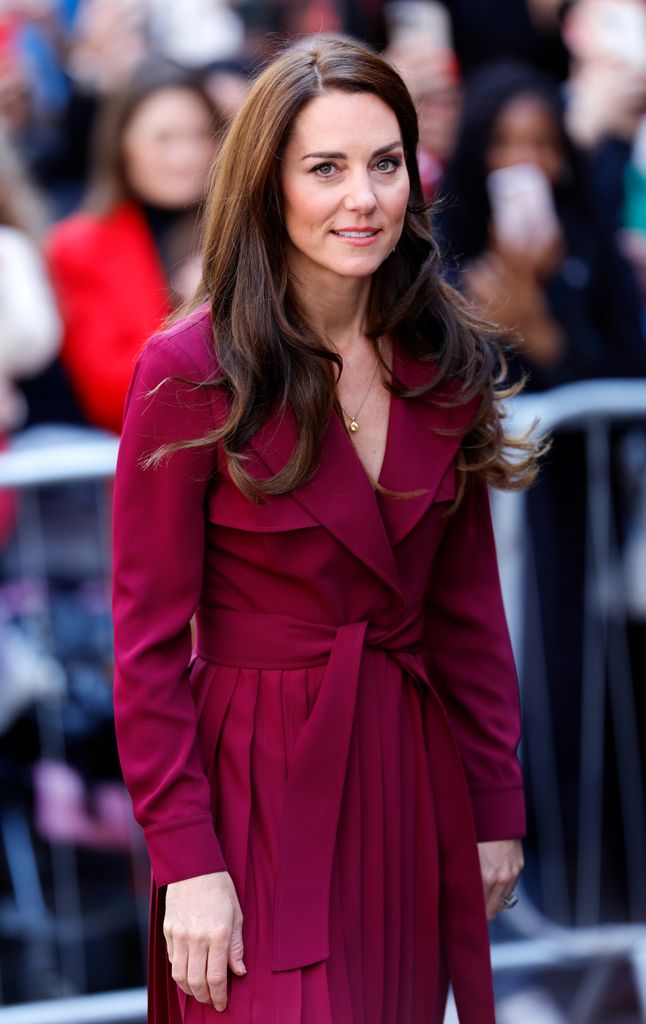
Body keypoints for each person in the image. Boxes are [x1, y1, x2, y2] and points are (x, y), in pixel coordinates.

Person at [112, 38, 534, 1024]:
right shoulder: (186, 370)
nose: (364, 198)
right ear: (266, 185)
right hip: (254, 784)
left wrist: (493, 804)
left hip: (408, 767)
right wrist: (187, 861)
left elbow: (467, 609)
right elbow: (143, 649)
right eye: (325, 168)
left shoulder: (442, 353)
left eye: (384, 163)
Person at [46, 61, 224, 434]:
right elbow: (110, 394)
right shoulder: (81, 246)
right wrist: (204, 316)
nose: (187, 156)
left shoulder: (244, 230)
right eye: (165, 138)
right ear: (123, 144)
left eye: (200, 135)